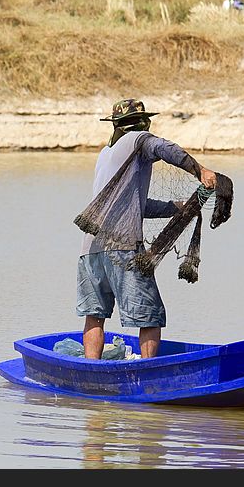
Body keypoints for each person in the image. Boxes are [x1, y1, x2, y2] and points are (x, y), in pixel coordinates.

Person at [76, 99, 216, 360]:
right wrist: (200, 170)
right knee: (150, 316)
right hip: (123, 248)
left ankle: (92, 371)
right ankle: (149, 374)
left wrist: (179, 207)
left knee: (94, 316)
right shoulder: (139, 139)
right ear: (141, 123)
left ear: (115, 125)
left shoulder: (107, 154)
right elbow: (164, 147)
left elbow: (136, 205)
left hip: (90, 250)